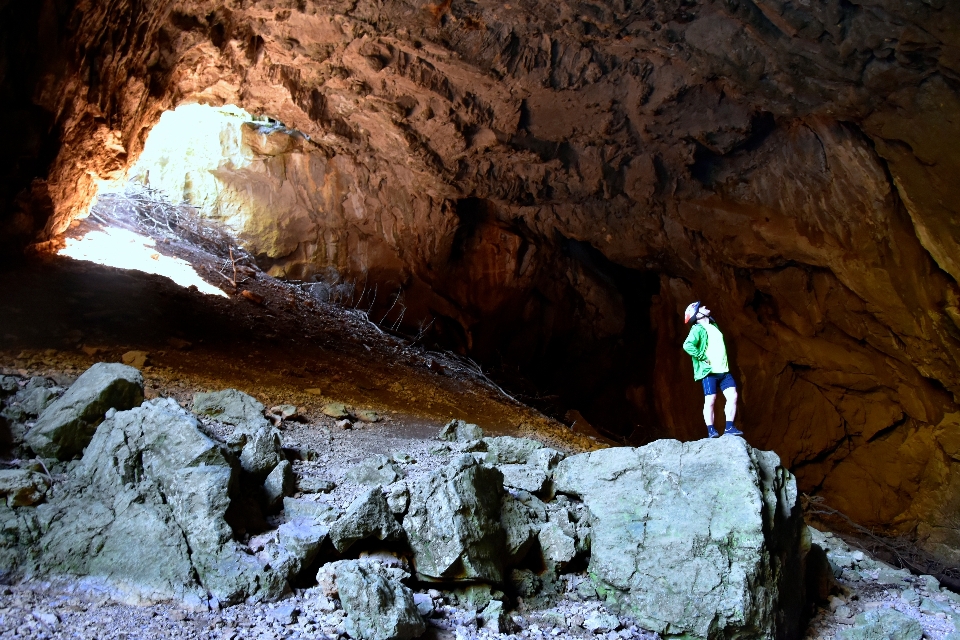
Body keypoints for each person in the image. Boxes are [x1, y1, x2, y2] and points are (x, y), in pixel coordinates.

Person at [682, 301, 743, 438]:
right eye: (701, 307)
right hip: (709, 371)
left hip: (723, 370)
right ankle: (711, 430)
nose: (704, 307)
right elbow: (687, 345)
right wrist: (702, 356)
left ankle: (729, 428)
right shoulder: (697, 329)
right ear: (697, 315)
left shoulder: (714, 326)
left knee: (733, 396)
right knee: (711, 399)